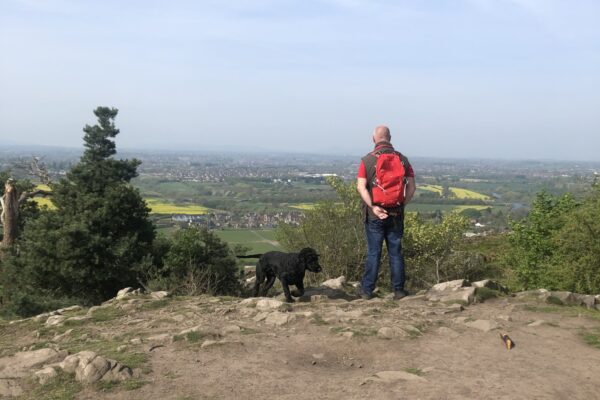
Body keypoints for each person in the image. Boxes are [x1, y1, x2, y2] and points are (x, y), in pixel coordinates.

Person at [356, 125, 416, 300]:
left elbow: (361, 187)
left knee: (374, 252)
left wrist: (373, 207)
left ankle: (367, 291)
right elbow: (411, 187)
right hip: (396, 214)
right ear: (390, 138)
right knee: (395, 252)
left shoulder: (367, 160)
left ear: (373, 138)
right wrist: (400, 205)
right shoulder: (403, 160)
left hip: (375, 215)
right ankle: (398, 290)